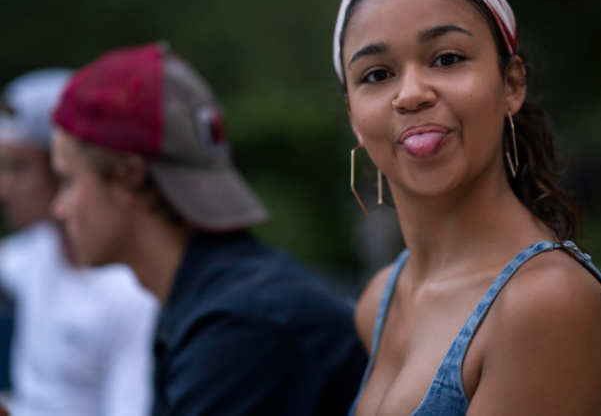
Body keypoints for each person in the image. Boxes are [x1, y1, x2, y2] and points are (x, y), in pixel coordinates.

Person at [334, 0, 601, 415]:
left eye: (446, 59)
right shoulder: (381, 299)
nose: (410, 94)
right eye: (378, 74)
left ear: (511, 84)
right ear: (353, 115)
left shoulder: (546, 303)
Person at [49, 43, 367, 416]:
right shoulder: (211, 297)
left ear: (127, 178)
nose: (59, 208)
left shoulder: (240, 330)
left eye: (67, 180)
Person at [0, 69, 158, 416]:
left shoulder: (129, 293)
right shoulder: (36, 252)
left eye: (20, 168)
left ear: (63, 168)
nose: (4, 188)